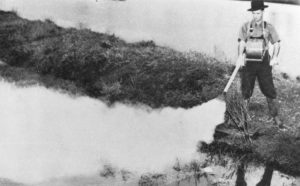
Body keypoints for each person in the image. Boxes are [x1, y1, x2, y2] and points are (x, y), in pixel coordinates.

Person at [236, 0, 283, 128]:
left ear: (262, 12)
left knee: (269, 90)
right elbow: (241, 42)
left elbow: (277, 43)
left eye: (258, 13)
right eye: (254, 13)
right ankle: (243, 118)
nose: (256, 16)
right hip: (249, 63)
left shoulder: (269, 27)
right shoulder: (246, 26)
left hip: (264, 64)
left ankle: (275, 117)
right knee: (246, 90)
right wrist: (240, 56)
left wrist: (275, 57)